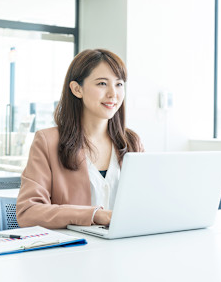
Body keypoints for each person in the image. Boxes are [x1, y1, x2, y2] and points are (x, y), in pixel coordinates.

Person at [16, 49, 144, 229]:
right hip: (73, 252)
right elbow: (28, 212)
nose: (113, 94)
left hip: (125, 248)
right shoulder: (47, 141)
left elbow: (147, 203)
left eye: (119, 84)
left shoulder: (131, 142)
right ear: (77, 89)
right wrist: (93, 215)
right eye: (102, 83)